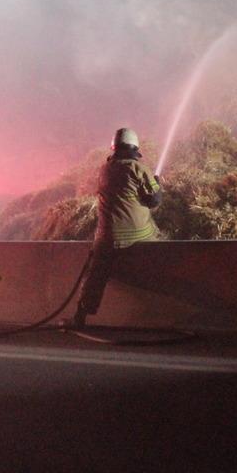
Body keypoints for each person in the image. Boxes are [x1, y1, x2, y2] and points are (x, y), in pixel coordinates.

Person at [69, 127, 162, 328]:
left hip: (106, 237)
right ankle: (157, 315)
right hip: (138, 237)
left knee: (94, 275)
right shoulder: (139, 169)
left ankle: (80, 316)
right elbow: (154, 201)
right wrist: (157, 184)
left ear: (114, 148)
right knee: (160, 249)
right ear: (135, 149)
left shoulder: (104, 170)